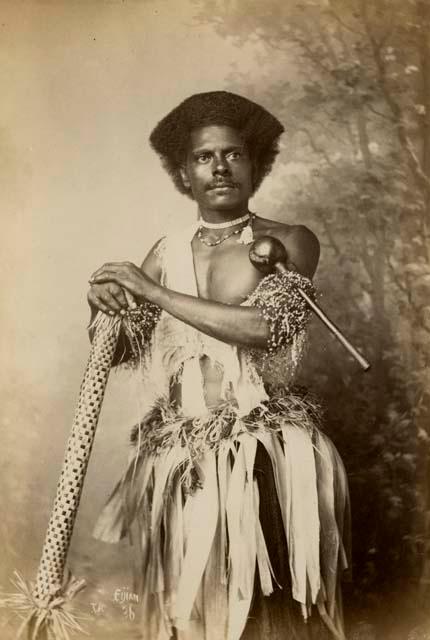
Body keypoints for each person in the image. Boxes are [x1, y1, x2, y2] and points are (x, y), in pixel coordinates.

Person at [88, 91, 350, 640]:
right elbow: (121, 352)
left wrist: (151, 293)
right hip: (182, 461)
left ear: (255, 163)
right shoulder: (166, 251)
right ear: (183, 173)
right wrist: (102, 309)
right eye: (204, 157)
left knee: (267, 615)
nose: (220, 168)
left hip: (266, 457)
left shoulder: (289, 240)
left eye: (233, 154)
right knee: (194, 614)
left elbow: (267, 328)